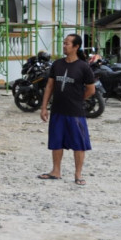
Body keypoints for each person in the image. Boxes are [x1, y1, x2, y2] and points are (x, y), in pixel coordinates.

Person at [38, 34, 96, 186]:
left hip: (75, 112)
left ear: (76, 47)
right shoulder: (57, 64)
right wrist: (44, 107)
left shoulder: (83, 67)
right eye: (63, 43)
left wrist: (78, 99)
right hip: (57, 110)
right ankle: (55, 171)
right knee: (56, 142)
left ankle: (78, 174)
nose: (64, 46)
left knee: (79, 143)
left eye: (67, 43)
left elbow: (91, 89)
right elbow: (50, 86)